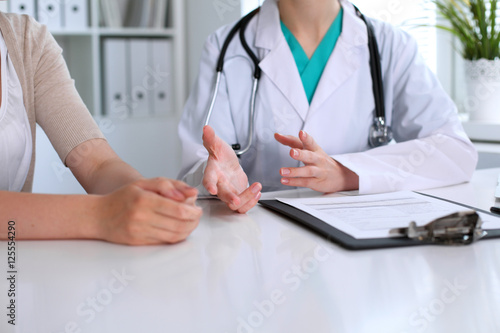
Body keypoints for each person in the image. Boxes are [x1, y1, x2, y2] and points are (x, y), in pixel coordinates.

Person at [178, 0, 477, 214]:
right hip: (257, 240)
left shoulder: (391, 46)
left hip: (356, 243)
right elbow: (197, 166)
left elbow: (454, 152)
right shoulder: (225, 47)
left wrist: (348, 173)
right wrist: (216, 179)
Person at [0, 12, 202, 245]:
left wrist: (149, 196)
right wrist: (101, 215)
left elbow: (97, 164)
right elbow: (105, 211)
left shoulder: (28, 40)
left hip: (15, 267)